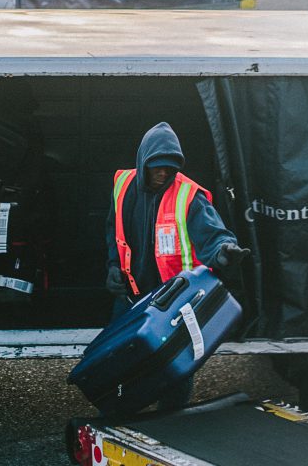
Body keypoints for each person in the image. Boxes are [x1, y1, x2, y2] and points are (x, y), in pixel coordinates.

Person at [105, 122, 248, 410]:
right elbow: (113, 230)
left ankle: (170, 426)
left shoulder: (188, 197)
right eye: (157, 167)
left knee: (175, 371)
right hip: (131, 297)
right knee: (117, 367)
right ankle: (116, 420)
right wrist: (112, 267)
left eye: (170, 168)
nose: (163, 173)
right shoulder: (123, 187)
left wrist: (224, 252)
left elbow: (214, 234)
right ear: (143, 162)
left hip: (173, 306)